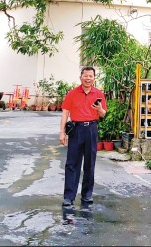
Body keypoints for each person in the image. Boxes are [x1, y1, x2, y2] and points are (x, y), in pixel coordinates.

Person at [60, 66, 107, 207]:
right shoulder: (72, 93)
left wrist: (99, 109)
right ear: (80, 77)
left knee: (89, 163)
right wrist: (62, 132)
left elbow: (103, 114)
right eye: (85, 76)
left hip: (91, 129)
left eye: (90, 76)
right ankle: (69, 197)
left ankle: (87, 195)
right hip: (76, 129)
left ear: (94, 78)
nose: (88, 78)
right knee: (72, 164)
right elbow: (65, 113)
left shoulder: (98, 94)